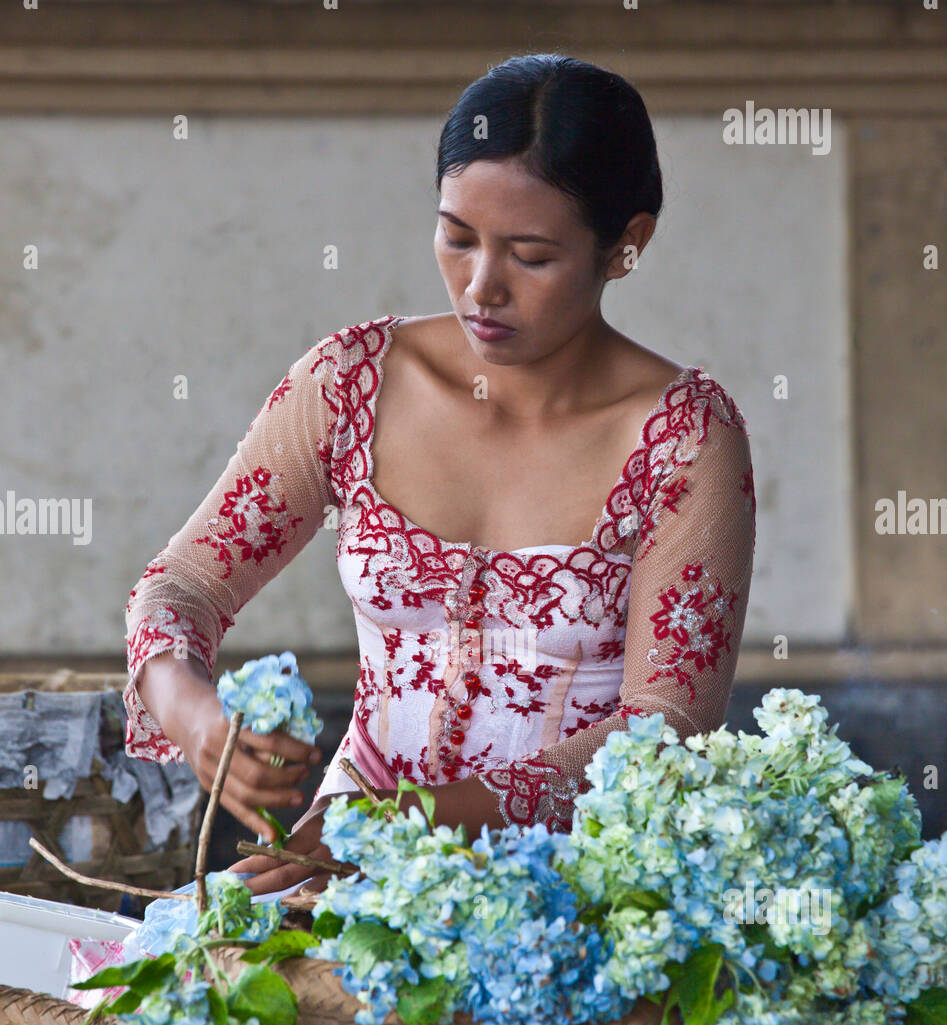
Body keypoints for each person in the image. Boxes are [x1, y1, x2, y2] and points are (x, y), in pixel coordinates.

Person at [124, 53, 756, 897]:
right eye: (457, 237)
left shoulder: (684, 438)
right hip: (336, 860)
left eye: (530, 256)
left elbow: (666, 729)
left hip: (589, 890)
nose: (480, 287)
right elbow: (185, 585)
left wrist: (409, 821)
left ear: (625, 246)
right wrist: (191, 711)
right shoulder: (350, 384)